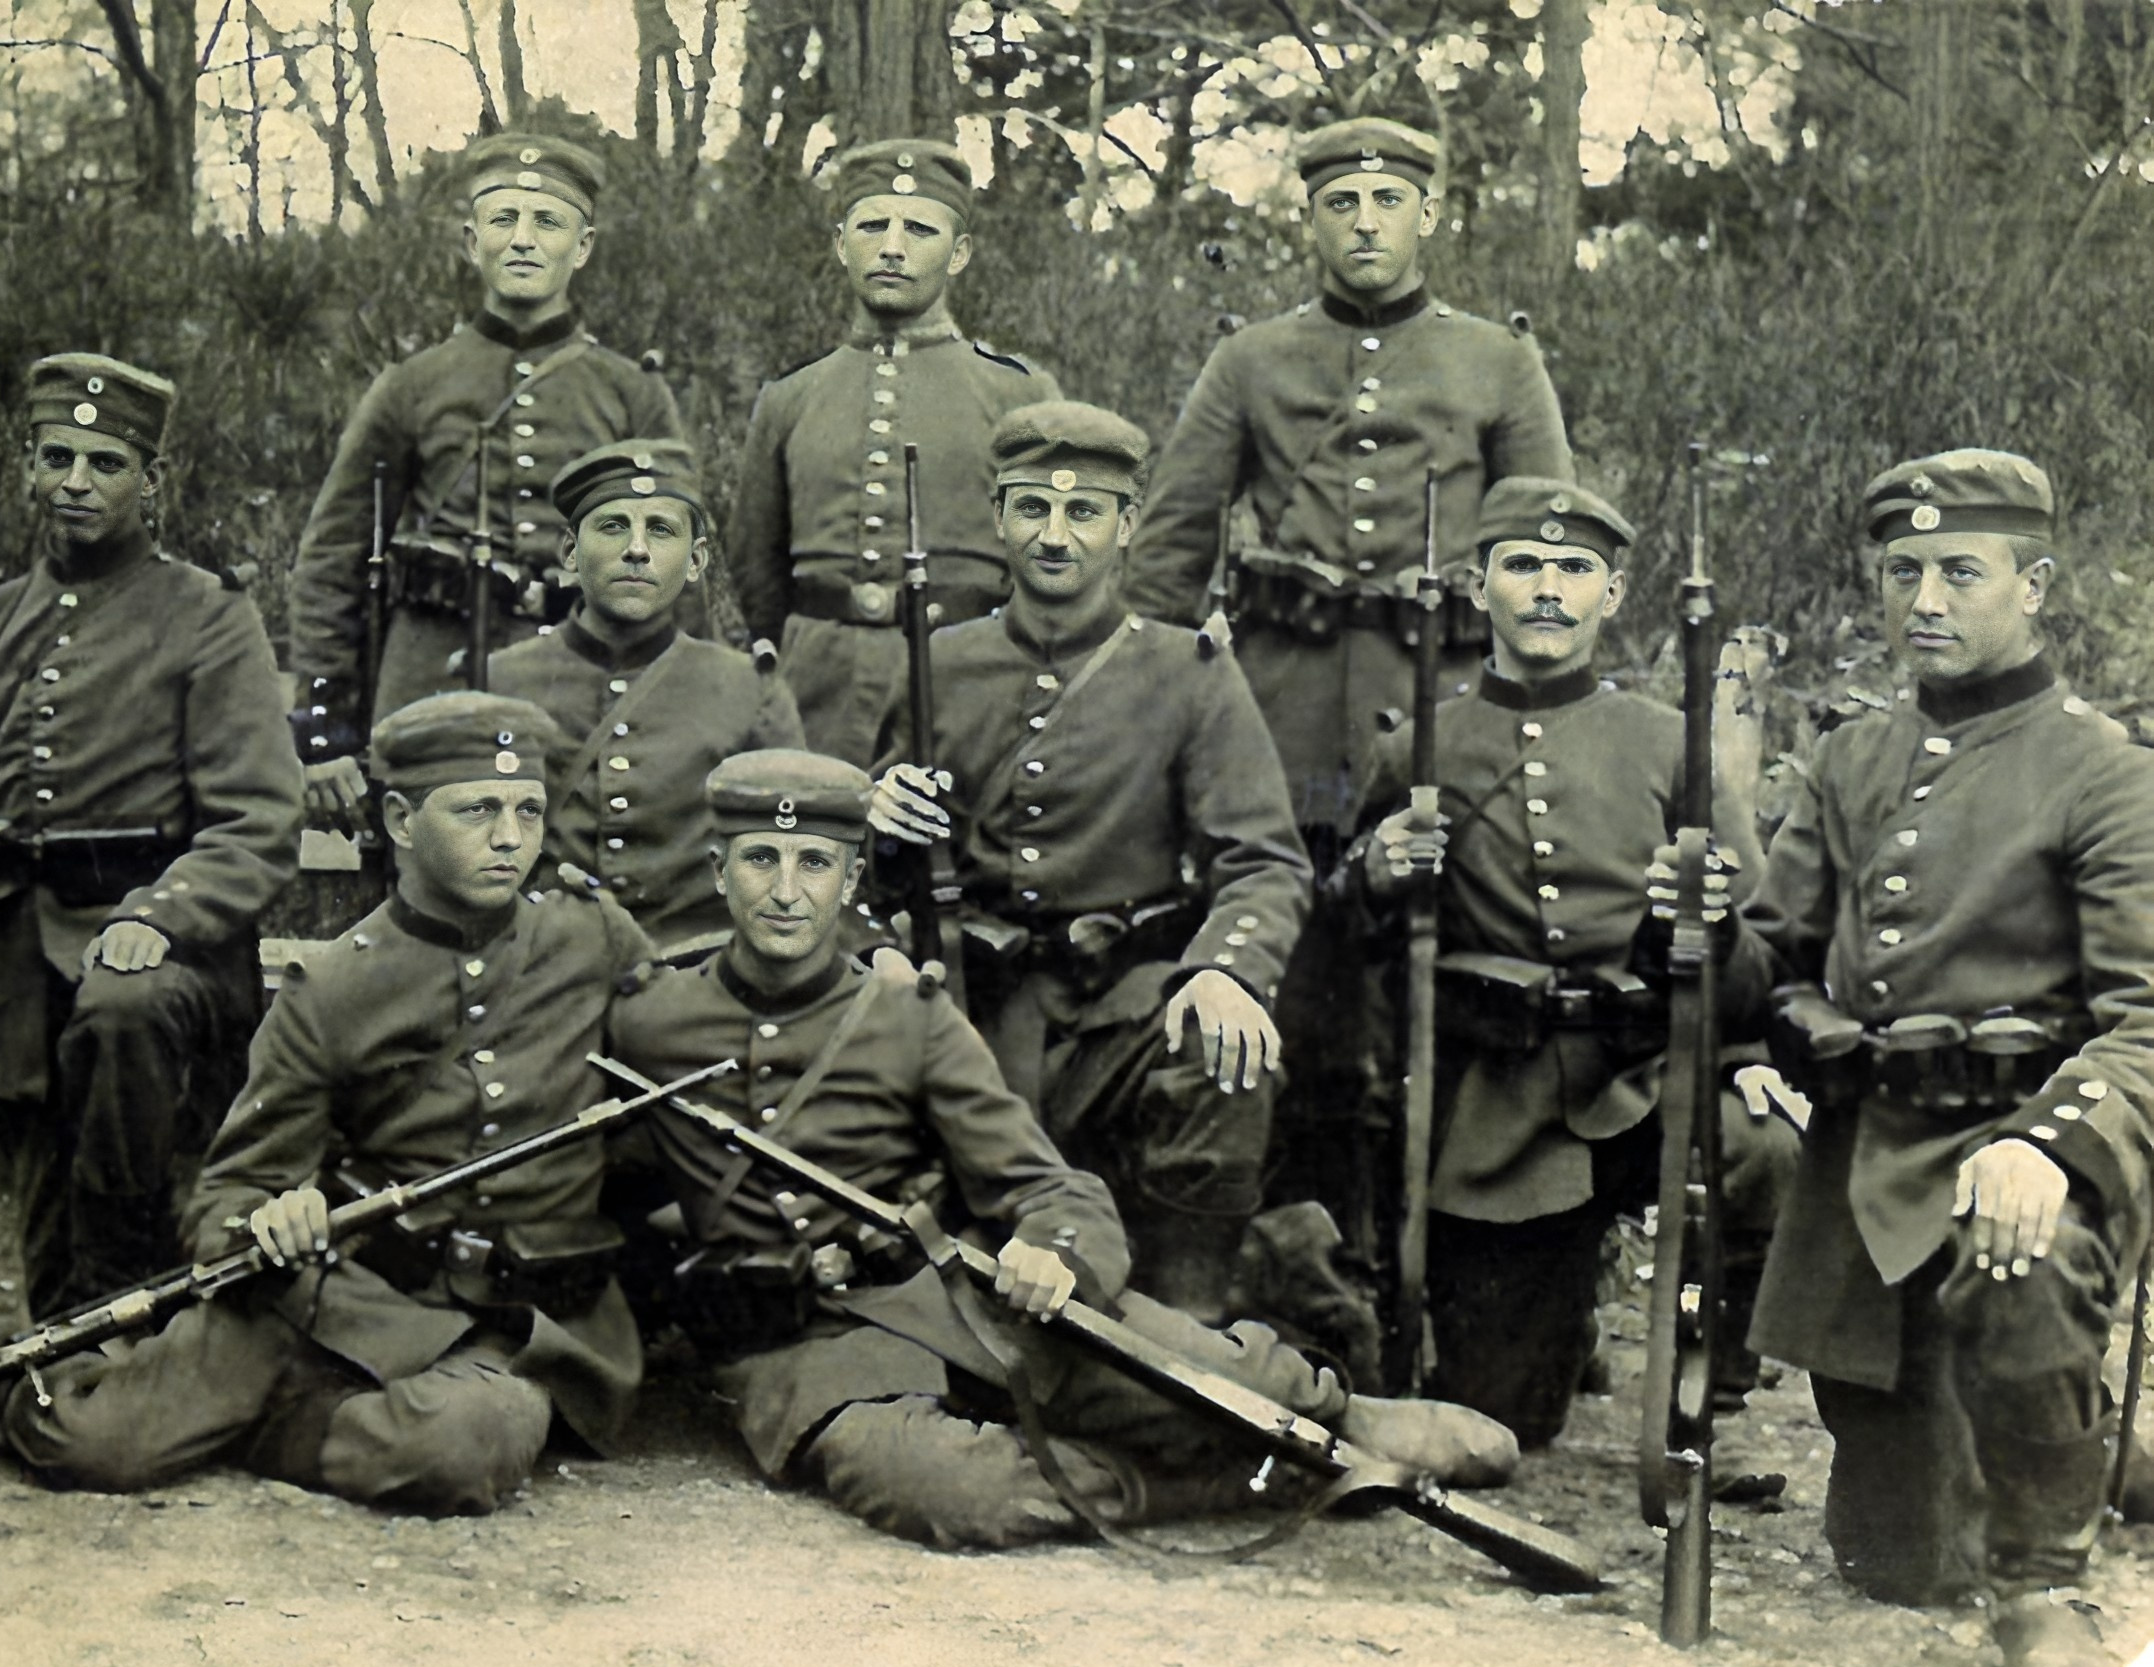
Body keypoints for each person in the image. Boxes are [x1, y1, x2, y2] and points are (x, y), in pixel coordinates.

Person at [608, 748, 1513, 1549]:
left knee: (1208, 1386)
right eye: (760, 860)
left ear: (851, 885)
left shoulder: (907, 1016)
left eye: (815, 864)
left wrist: (1055, 1254)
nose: (785, 890)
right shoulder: (649, 1024)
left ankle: (1335, 1415)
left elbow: (1046, 1186)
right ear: (716, 871)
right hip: (806, 1352)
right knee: (957, 1494)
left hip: (949, 1297)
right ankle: (1251, 1477)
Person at [0, 693, 662, 1515]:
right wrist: (272, 1218)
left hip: (514, 1318)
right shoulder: (334, 987)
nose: (510, 838)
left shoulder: (589, 933)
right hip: (356, 1297)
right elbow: (230, 1197)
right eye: (477, 810)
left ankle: (277, 1425)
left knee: (469, 1439)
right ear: (400, 819)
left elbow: (686, 1031)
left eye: (529, 810)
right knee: (88, 1441)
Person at [1735, 450, 2154, 1667]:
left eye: (1958, 572)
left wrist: (2053, 1148)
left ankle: (2048, 1589)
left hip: (2025, 1149)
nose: (1924, 597)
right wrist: (1698, 929)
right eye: (1901, 571)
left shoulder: (2107, 771)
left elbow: (2149, 1019)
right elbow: (1776, 960)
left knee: (2021, 1266)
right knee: (1900, 1565)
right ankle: (2101, 1458)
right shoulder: (1856, 759)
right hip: (1874, 1162)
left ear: (2035, 585)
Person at [1122, 117, 1578, 1266]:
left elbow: (1552, 559)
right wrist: (1148, 720)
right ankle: (1311, 1247)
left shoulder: (1497, 362)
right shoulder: (1253, 362)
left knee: (1459, 978)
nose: (1364, 223)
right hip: (1282, 712)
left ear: (1430, 213)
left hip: (1449, 711)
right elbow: (1171, 556)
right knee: (1311, 973)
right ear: (1310, 218)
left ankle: (1484, 1261)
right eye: (1340, 203)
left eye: (1388, 201)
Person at [1342, 477, 1774, 1444]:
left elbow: (1766, 965)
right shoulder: (1421, 745)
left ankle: (1725, 1364)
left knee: (1764, 1149)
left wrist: (1713, 928)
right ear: (1478, 585)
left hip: (1647, 1074)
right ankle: (1561, 1318)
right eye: (1523, 564)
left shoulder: (1670, 746)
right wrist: (1374, 875)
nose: (1548, 588)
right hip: (1503, 1106)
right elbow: (1355, 954)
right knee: (1500, 1424)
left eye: (1575, 569)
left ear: (1613, 596)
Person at [867, 402, 1313, 1326]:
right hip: (969, 1006)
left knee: (1224, 1054)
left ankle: (1193, 1329)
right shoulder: (936, 664)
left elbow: (1264, 859)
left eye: (1084, 513)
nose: (1056, 536)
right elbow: (864, 872)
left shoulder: (1190, 673)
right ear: (997, 518)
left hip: (1120, 1008)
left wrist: (1227, 968)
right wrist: (878, 820)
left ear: (1128, 524)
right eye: (1032, 508)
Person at [0, 354, 300, 1322]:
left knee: (123, 1018)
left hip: (171, 961)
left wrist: (158, 917)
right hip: (22, 955)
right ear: (29, 470)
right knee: (52, 1275)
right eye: (59, 458)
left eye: (107, 462)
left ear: (151, 483)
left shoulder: (209, 615)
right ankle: (83, 1343)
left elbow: (257, 820)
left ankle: (129, 1312)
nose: (78, 481)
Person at [290, 133, 682, 818]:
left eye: (547, 222)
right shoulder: (412, 386)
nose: (523, 240)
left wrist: (686, 708)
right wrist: (324, 726)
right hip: (430, 673)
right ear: (472, 242)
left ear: (582, 247)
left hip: (583, 674)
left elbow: (677, 563)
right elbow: (332, 560)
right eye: (504, 220)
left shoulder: (631, 394)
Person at [723, 138, 1059, 766]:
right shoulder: (790, 397)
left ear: (959, 254)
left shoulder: (1019, 393)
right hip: (817, 690)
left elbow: (1047, 558)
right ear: (840, 242)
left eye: (919, 229)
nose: (893, 247)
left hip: (971, 686)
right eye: (873, 225)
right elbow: (755, 562)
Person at [484, 440, 802, 949]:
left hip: (697, 973)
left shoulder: (749, 688)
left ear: (696, 561)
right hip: (540, 965)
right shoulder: (498, 682)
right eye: (612, 526)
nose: (636, 548)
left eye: (661, 529)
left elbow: (790, 852)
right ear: (569, 552)